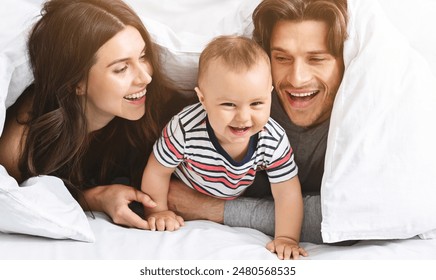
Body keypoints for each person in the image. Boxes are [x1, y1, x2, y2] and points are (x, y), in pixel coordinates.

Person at [166, 0, 348, 245]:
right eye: (282, 58)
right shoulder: (233, 96)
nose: (297, 79)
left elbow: (350, 220)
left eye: (316, 59)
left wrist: (208, 208)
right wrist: (102, 195)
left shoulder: (361, 122)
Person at [0, 0, 190, 229]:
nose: (145, 78)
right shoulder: (22, 147)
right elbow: (20, 203)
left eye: (143, 56)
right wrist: (95, 198)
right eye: (121, 68)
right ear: (76, 83)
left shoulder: (164, 108)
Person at [140, 35, 307, 259]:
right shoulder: (185, 128)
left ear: (270, 93)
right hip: (183, 185)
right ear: (203, 99)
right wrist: (158, 210)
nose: (244, 117)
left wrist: (287, 237)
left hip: (233, 188)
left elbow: (286, 191)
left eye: (256, 103)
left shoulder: (272, 138)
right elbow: (158, 170)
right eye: (229, 104)